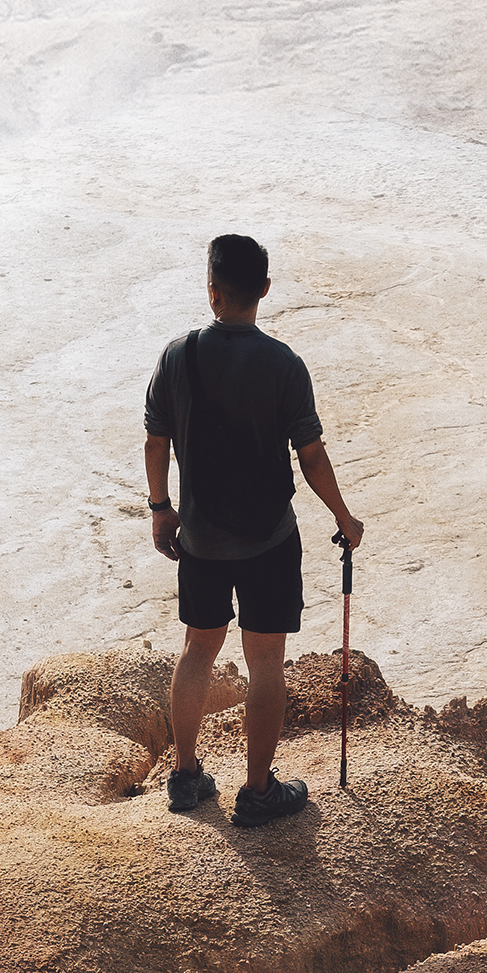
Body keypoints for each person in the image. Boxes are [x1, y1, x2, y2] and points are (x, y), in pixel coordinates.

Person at [144, 232, 364, 827]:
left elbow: (156, 439)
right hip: (269, 538)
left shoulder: (177, 356)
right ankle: (258, 790)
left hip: (200, 538)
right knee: (266, 663)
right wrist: (343, 518)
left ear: (211, 291)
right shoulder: (284, 365)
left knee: (198, 649)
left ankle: (187, 776)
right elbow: (311, 458)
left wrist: (161, 507)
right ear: (264, 289)